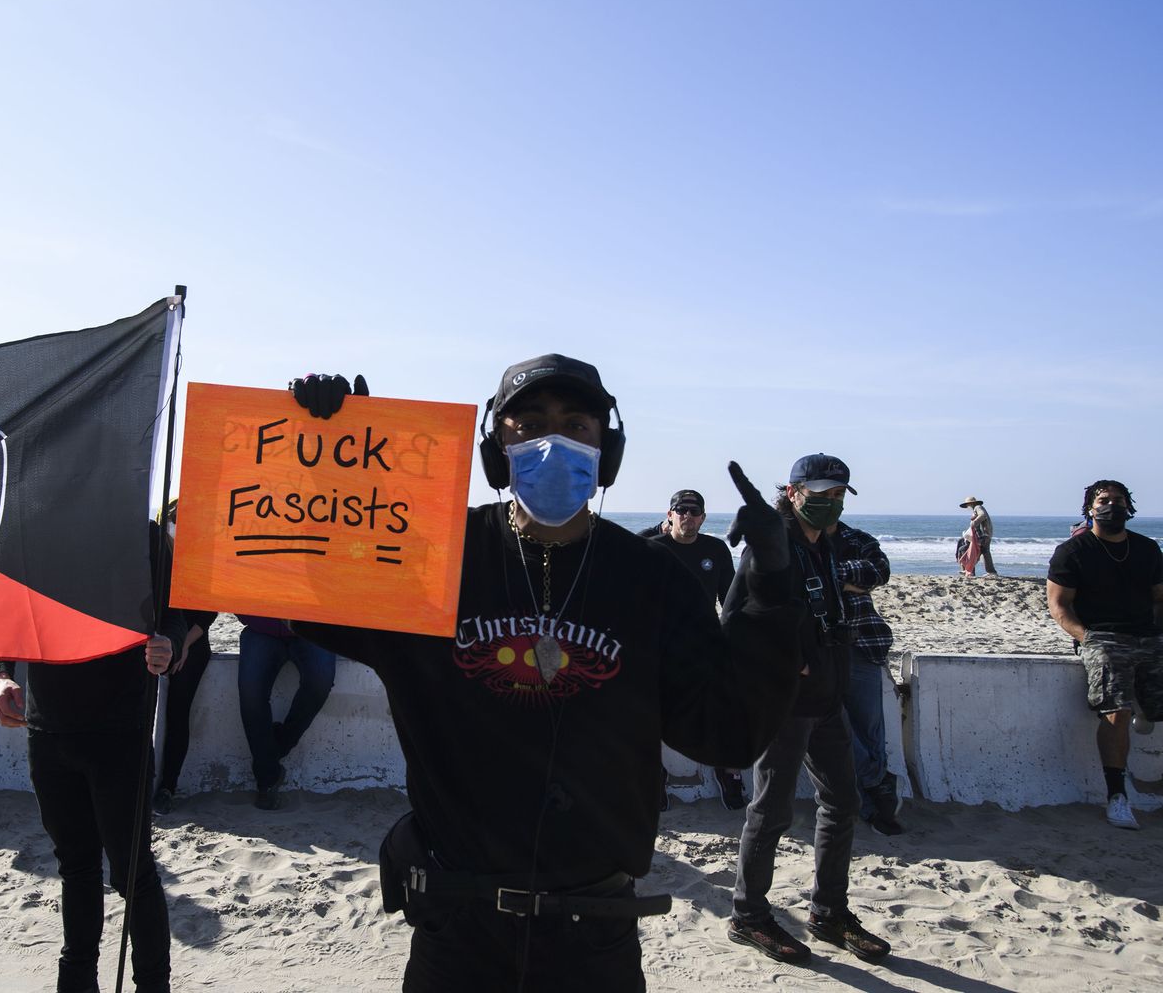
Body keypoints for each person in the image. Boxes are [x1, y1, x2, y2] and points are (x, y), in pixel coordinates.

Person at [285, 358, 802, 992]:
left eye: (576, 425)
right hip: (457, 929)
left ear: (606, 452)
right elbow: (301, 596)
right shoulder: (429, 563)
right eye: (528, 426)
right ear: (497, 452)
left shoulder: (655, 579)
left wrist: (770, 589)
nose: (552, 443)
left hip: (596, 935)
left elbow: (729, 733)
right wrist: (319, 458)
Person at [0, 523, 183, 993]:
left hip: (121, 732)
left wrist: (169, 645)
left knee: (131, 871)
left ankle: (153, 986)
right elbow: (4, 612)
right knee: (75, 867)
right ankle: (76, 984)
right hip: (49, 728)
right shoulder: (30, 528)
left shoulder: (146, 534)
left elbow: (181, 611)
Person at [727, 453, 891, 965]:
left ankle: (828, 912)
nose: (830, 503)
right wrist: (785, 658)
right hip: (783, 704)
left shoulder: (832, 544)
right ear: (793, 492)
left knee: (842, 803)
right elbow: (734, 620)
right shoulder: (772, 546)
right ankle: (748, 916)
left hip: (827, 696)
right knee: (771, 810)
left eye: (839, 494)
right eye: (819, 494)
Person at [1046, 480, 1163, 831]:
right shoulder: (1073, 551)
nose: (1111, 506)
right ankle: (1117, 797)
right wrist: (1087, 638)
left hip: (1151, 639)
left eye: (1118, 501)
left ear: (1128, 507)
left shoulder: (1146, 549)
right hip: (1102, 637)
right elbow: (1059, 606)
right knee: (1116, 709)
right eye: (1103, 500)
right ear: (1090, 508)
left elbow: (1162, 601)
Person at [643, 489, 745, 810]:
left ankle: (728, 771)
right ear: (669, 515)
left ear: (703, 517)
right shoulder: (653, 549)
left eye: (694, 511)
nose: (687, 516)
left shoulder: (715, 549)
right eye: (681, 510)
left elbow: (730, 600)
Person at [828, 520, 903, 835]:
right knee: (833, 725)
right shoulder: (788, 541)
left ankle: (873, 810)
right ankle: (875, 780)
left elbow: (879, 571)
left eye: (838, 494)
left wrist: (830, 575)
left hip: (863, 643)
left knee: (869, 731)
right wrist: (845, 578)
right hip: (814, 650)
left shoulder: (855, 538)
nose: (833, 501)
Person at [151, 501, 219, 818]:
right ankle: (141, 780)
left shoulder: (203, 556)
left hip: (191, 641)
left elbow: (207, 614)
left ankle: (168, 786)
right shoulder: (154, 552)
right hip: (154, 641)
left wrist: (184, 646)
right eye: (175, 521)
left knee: (178, 711)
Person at [235, 615, 337, 810]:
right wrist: (253, 617)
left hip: (314, 629)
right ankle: (267, 780)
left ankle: (278, 747)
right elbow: (233, 589)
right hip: (261, 630)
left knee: (320, 681)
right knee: (251, 692)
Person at [958, 496, 997, 576]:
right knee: (982, 552)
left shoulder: (978, 507)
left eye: (968, 504)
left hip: (983, 535)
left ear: (971, 503)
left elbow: (982, 515)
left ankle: (970, 571)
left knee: (970, 550)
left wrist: (974, 522)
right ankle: (971, 570)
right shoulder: (976, 508)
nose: (968, 506)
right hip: (985, 534)